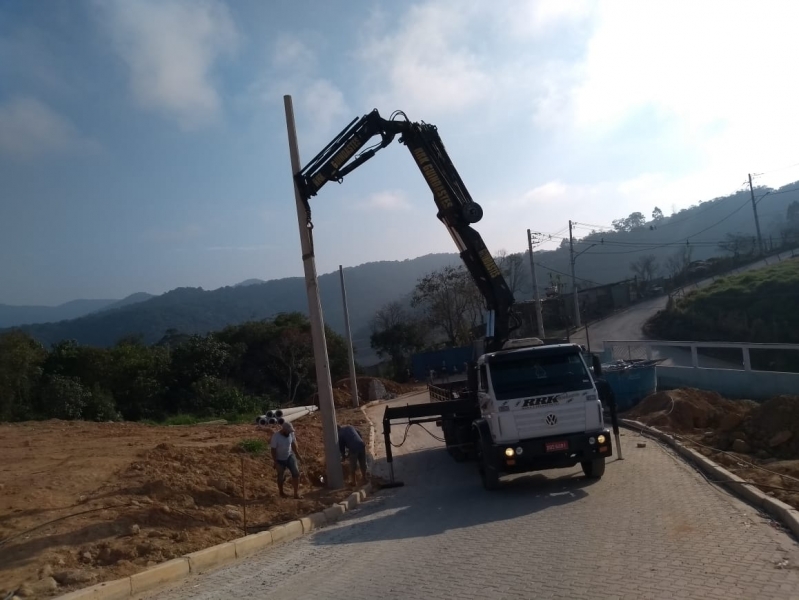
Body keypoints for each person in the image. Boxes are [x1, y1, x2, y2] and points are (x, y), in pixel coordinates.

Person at [270, 422, 303, 499]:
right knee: (281, 476)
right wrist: (275, 462)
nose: (290, 432)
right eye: (288, 431)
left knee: (296, 473)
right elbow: (273, 450)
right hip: (279, 459)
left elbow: (293, 444)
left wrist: (298, 455)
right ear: (284, 430)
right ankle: (281, 492)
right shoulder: (276, 436)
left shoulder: (291, 434)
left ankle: (296, 494)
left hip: (289, 456)